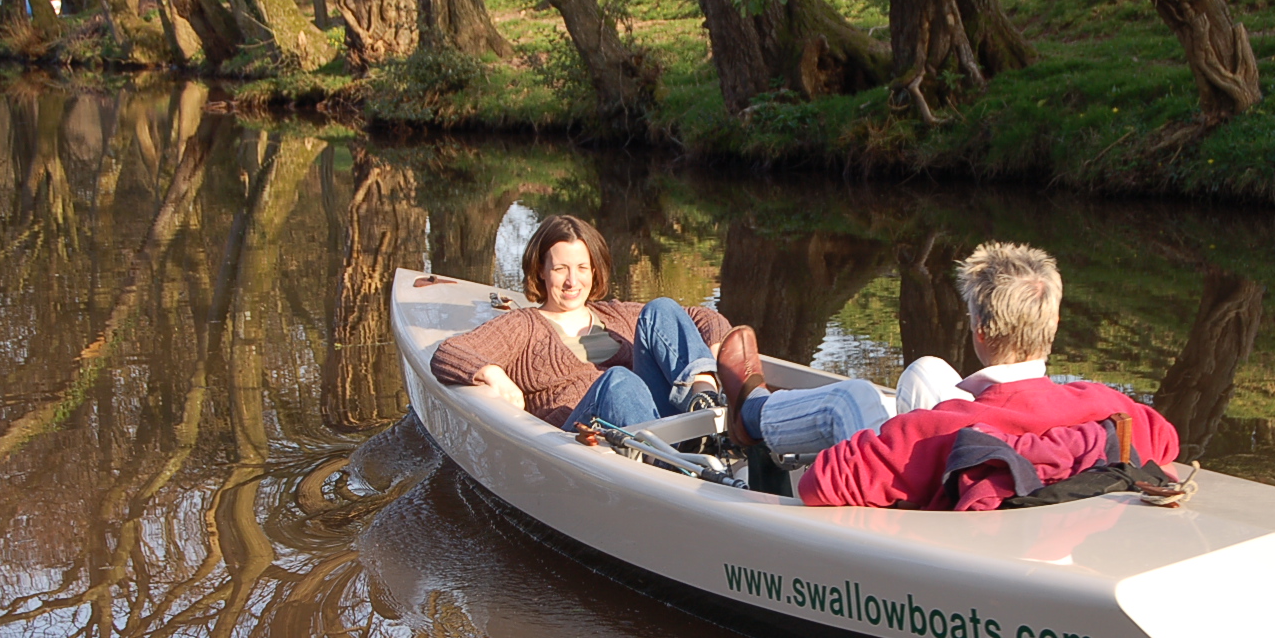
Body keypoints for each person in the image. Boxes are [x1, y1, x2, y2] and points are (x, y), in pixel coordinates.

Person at [718, 241, 1180, 510]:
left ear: (980, 332)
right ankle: (755, 411)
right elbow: (1167, 442)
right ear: (1054, 324)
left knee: (850, 397)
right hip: (1030, 490)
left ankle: (752, 413)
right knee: (928, 371)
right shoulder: (1112, 408)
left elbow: (819, 484)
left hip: (919, 520)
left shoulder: (935, 432)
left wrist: (890, 436)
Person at [431, 215, 731, 430]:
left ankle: (706, 408)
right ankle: (671, 459)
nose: (572, 281)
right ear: (541, 271)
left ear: (594, 271)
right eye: (561, 268)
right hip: (580, 441)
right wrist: (495, 375)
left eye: (582, 268)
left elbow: (703, 316)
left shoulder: (617, 315)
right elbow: (450, 352)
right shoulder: (523, 325)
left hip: (660, 422)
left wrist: (713, 354)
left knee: (661, 307)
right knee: (618, 380)